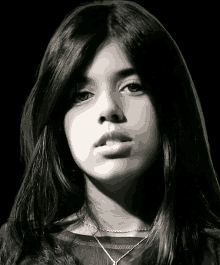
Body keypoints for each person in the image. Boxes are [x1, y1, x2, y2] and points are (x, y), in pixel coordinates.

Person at [1, 0, 220, 264]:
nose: (108, 109)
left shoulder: (212, 252)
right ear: (58, 121)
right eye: (82, 95)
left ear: (169, 105)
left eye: (132, 87)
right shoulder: (18, 251)